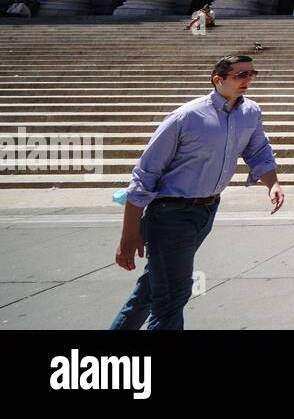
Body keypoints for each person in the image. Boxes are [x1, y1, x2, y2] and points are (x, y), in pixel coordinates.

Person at [110, 54, 283, 330]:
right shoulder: (186, 117)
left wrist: (272, 183)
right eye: (241, 75)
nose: (248, 80)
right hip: (171, 214)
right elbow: (144, 176)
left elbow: (258, 150)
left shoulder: (250, 112)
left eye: (252, 74)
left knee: (151, 289)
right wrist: (129, 235)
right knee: (172, 295)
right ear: (218, 80)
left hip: (206, 210)